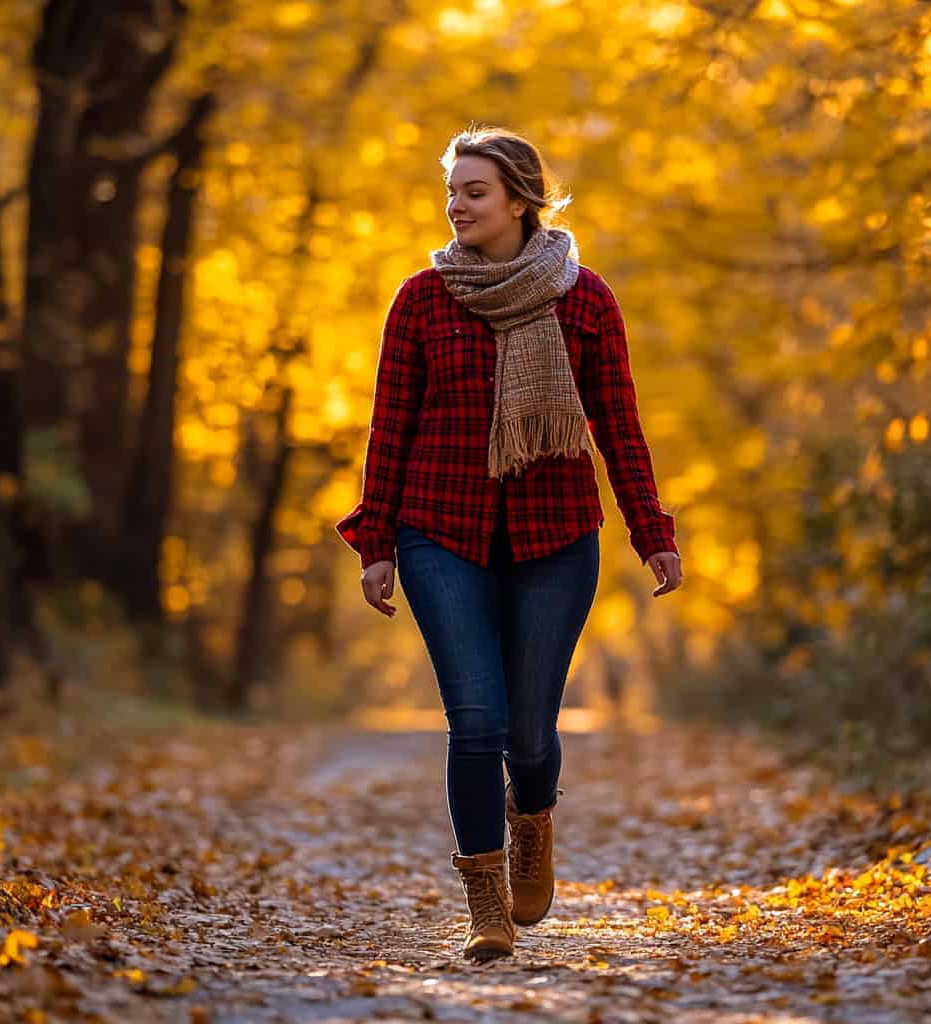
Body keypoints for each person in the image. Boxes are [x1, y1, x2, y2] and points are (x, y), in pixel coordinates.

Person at [336, 125, 683, 960]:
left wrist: (651, 530)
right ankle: (485, 901)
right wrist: (376, 538)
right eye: (452, 191)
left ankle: (534, 822)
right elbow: (391, 427)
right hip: (438, 532)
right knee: (477, 721)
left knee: (529, 734)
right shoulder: (420, 299)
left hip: (554, 536)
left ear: (521, 199)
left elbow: (618, 426)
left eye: (474, 191)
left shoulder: (585, 298)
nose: (456, 205)